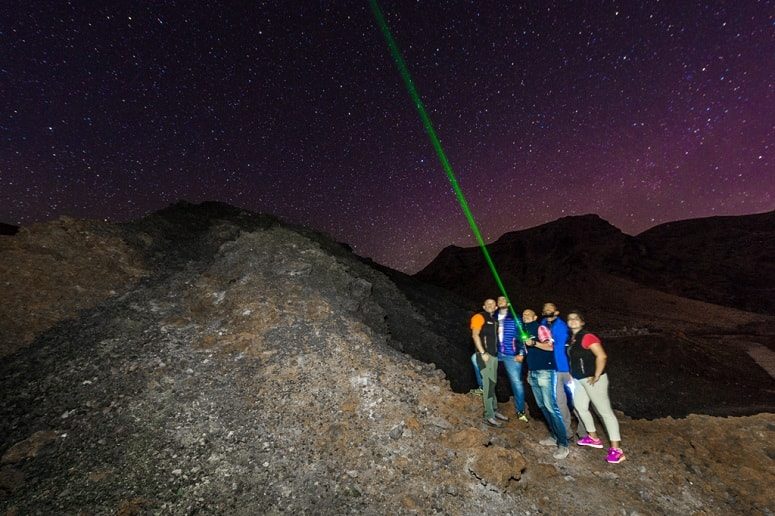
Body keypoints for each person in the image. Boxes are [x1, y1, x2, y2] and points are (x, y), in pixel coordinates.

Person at [566, 310, 625, 464]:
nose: (572, 321)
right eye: (570, 319)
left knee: (604, 412)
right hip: (579, 380)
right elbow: (576, 360)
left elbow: (602, 355)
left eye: (576, 319)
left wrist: (597, 374)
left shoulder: (587, 336)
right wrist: (573, 374)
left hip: (593, 379)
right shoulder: (572, 339)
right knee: (580, 407)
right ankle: (593, 437)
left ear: (582, 322)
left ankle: (617, 450)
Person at [522, 309, 570, 459]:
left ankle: (563, 444)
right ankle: (554, 436)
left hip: (546, 372)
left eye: (529, 314)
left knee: (551, 407)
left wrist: (534, 343)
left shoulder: (540, 328)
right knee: (542, 406)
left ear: (535, 317)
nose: (525, 316)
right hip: (534, 372)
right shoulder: (524, 331)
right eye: (523, 315)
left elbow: (550, 346)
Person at [541, 302, 585, 441]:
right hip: (553, 370)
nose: (548, 311)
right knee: (559, 403)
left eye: (550, 309)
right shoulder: (543, 324)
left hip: (568, 370)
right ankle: (565, 432)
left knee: (577, 401)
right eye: (545, 309)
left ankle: (584, 432)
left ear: (557, 312)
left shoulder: (562, 327)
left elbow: (555, 347)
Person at [470, 299, 509, 427]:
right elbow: (475, 335)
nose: (491, 306)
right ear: (484, 306)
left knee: (492, 383)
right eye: (488, 304)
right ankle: (489, 415)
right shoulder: (479, 317)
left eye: (493, 304)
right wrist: (482, 353)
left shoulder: (494, 321)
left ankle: (494, 410)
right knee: (487, 384)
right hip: (484, 356)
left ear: (496, 306)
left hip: (493, 356)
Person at [495, 296, 528, 422]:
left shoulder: (515, 317)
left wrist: (521, 353)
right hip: (496, 353)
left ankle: (520, 411)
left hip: (511, 354)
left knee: (516, 383)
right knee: (489, 377)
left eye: (503, 300)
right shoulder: (493, 317)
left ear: (508, 303)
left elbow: (522, 336)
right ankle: (491, 406)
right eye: (499, 300)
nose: (501, 302)